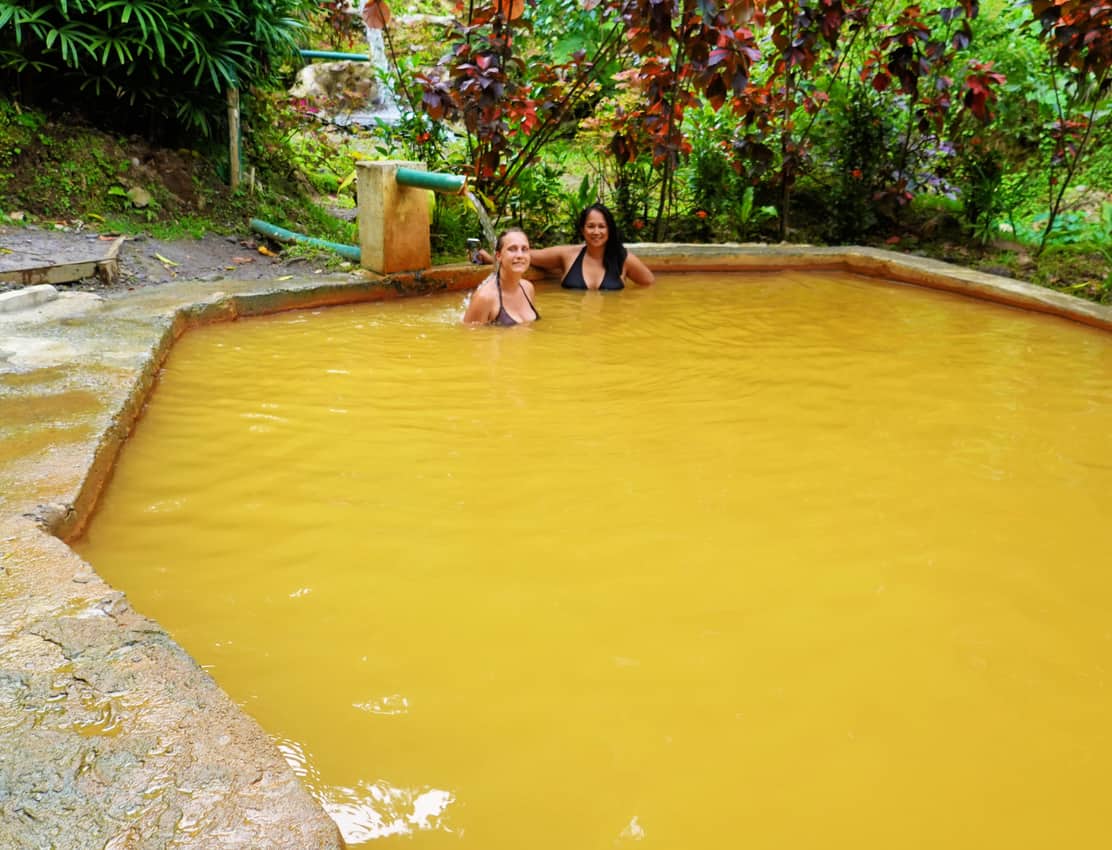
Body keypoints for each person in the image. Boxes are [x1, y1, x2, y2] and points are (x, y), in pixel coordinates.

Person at [477, 203, 654, 290]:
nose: (596, 232)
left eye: (602, 226)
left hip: (612, 328)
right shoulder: (567, 255)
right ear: (582, 229)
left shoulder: (623, 259)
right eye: (591, 226)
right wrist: (491, 258)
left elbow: (650, 287)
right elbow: (526, 256)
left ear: (609, 229)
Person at [462, 228, 540, 325]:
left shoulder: (528, 288)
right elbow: (469, 337)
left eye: (524, 249)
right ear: (498, 256)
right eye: (512, 249)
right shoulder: (484, 298)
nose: (520, 255)